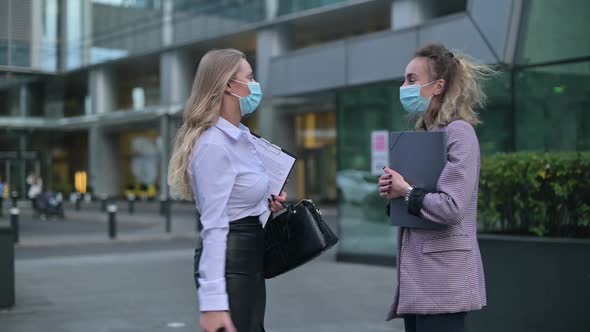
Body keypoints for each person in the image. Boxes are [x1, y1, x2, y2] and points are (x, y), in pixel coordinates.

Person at [167, 49, 287, 332]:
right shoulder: (213, 145)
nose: (255, 85)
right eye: (250, 77)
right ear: (229, 86)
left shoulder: (241, 137)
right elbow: (214, 225)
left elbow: (239, 201)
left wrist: (265, 205)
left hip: (249, 258)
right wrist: (212, 304)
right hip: (232, 262)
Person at [379, 43, 494, 332]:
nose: (404, 86)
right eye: (404, 79)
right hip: (417, 282)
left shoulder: (460, 133)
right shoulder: (422, 135)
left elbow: (452, 208)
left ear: (438, 86)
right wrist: (393, 191)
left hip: (445, 281)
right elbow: (413, 200)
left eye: (412, 80)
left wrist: (406, 191)